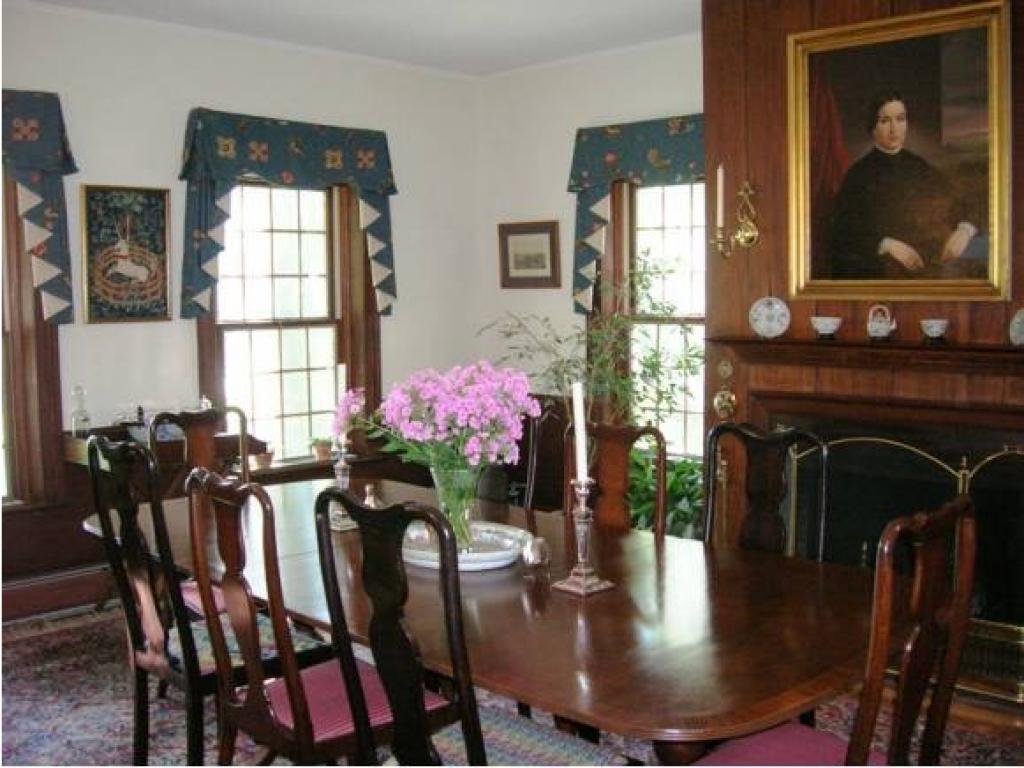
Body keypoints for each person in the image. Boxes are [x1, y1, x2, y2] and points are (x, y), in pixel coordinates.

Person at [828, 92, 981, 279]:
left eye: (900, 119)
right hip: (879, 276)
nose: (894, 129)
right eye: (885, 121)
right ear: (873, 127)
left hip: (926, 272)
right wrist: (887, 245)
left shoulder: (919, 166)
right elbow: (843, 234)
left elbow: (959, 203)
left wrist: (963, 231)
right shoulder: (858, 175)